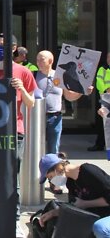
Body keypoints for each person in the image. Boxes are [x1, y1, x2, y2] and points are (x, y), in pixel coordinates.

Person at [0, 33, 37, 238]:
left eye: (4, 45)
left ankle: (14, 219)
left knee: (12, 177)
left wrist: (22, 89)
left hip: (14, 131)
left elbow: (31, 103)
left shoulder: (23, 72)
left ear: (14, 48)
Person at [34, 50, 92, 194]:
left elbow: (69, 96)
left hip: (54, 118)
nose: (38, 62)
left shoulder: (59, 76)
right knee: (34, 150)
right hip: (35, 118)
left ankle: (55, 183)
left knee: (53, 151)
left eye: (42, 59)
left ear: (50, 61)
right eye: (37, 59)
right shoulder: (33, 75)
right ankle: (34, 180)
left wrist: (83, 92)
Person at [38, 153, 110, 238]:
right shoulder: (70, 183)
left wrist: (85, 203)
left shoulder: (87, 171)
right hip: (99, 215)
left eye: (50, 177)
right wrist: (53, 213)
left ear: (57, 167)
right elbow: (74, 208)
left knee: (100, 228)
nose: (52, 181)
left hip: (105, 216)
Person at [88, 52, 110, 151]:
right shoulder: (102, 70)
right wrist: (107, 88)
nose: (109, 59)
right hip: (106, 99)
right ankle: (100, 144)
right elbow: (99, 85)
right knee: (103, 124)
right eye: (108, 57)